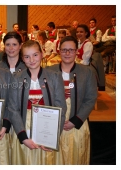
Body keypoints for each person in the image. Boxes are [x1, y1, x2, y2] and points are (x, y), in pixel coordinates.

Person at [7, 40, 66, 164]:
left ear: (42, 54)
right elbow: (13, 108)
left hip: (47, 127)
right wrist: (23, 137)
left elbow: (61, 108)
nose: (32, 60)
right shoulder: (16, 78)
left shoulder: (54, 76)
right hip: (24, 125)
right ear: (22, 58)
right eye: (27, 56)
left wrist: (53, 137)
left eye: (35, 55)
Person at [48, 36, 98, 164]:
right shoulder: (49, 71)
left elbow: (90, 99)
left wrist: (75, 121)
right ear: (59, 51)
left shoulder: (87, 72)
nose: (68, 53)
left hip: (76, 123)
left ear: (77, 51)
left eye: (71, 50)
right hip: (55, 124)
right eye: (64, 50)